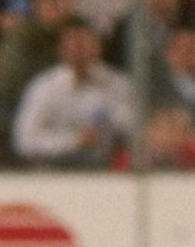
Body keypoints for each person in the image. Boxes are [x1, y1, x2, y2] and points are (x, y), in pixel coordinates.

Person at [11, 20, 132, 168]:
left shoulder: (118, 83)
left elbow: (135, 128)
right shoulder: (43, 87)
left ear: (98, 46)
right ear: (61, 48)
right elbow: (24, 141)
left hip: (106, 171)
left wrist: (111, 123)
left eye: (83, 43)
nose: (77, 49)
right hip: (54, 173)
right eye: (71, 43)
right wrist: (74, 140)